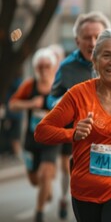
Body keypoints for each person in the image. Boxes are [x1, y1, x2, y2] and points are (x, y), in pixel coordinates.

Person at [34, 28, 111, 222]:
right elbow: (41, 132)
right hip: (85, 190)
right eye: (106, 55)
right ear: (95, 60)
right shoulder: (78, 94)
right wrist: (72, 134)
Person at [9, 48, 59, 222]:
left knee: (45, 174)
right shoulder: (29, 85)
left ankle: (39, 213)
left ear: (53, 68)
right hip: (32, 139)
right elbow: (12, 105)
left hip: (52, 139)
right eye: (40, 66)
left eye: (47, 66)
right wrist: (30, 103)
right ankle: (47, 189)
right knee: (34, 180)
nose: (44, 70)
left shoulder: (58, 87)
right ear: (36, 68)